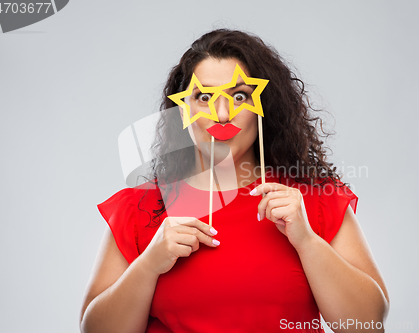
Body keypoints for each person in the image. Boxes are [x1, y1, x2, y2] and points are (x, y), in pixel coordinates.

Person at [80, 29, 389, 333]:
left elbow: (368, 325)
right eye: (204, 97)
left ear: (262, 107)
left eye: (239, 96)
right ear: (183, 109)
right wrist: (148, 265)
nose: (222, 114)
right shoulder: (140, 208)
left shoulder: (311, 198)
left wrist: (307, 242)